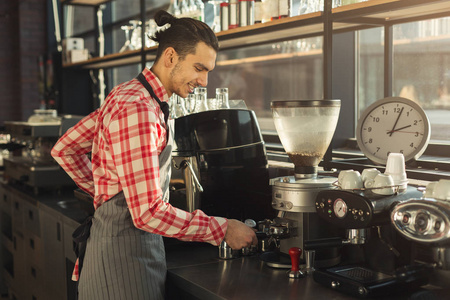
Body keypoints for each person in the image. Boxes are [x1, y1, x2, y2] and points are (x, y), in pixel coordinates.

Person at [51, 10, 257, 300]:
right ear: (171, 57)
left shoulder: (129, 94)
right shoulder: (140, 110)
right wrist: (221, 229)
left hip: (117, 252)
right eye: (199, 68)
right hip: (123, 265)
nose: (204, 81)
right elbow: (147, 213)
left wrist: (107, 195)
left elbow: (65, 148)